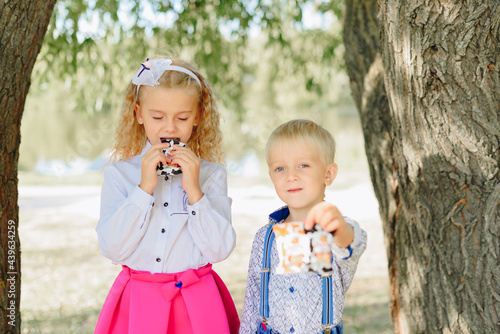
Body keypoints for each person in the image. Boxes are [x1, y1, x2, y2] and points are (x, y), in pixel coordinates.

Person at [95, 58, 239, 334]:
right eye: (158, 117)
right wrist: (143, 189)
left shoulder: (212, 175)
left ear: (197, 116)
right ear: (138, 114)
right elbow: (112, 249)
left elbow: (220, 250)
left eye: (182, 118)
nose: (170, 129)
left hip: (197, 302)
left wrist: (195, 191)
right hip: (139, 303)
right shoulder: (119, 175)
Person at [239, 119, 367, 334]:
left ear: (328, 174)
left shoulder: (335, 233)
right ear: (271, 177)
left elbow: (353, 244)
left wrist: (340, 228)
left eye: (303, 165)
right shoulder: (265, 237)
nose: (291, 176)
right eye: (280, 168)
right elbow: (252, 304)